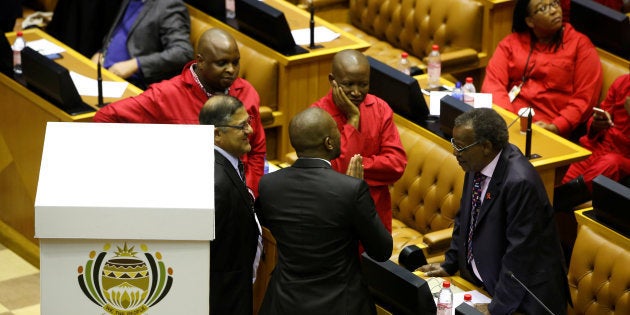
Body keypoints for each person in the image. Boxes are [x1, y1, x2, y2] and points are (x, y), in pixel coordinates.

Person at [420, 108, 569, 315]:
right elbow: (466, 217)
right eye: (454, 144)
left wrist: (497, 309)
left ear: (486, 146)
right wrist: (450, 263)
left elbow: (520, 255)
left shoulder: (519, 182)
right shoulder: (475, 162)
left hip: (525, 299)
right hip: (487, 284)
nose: (455, 152)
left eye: (460, 147)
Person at [94, 28, 266, 196]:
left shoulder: (247, 92)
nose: (231, 70)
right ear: (200, 61)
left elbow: (257, 150)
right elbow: (105, 118)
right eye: (222, 63)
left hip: (238, 192)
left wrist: (249, 191)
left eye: (235, 62)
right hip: (188, 192)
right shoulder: (165, 95)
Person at [256, 107, 393, 315]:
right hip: (341, 304)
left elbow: (270, 224)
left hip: (285, 301)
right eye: (337, 130)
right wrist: (355, 200)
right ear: (329, 143)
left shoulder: (268, 185)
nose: (341, 134)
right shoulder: (350, 190)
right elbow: (382, 250)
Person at [311, 49, 407, 232]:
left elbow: (396, 164)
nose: (356, 92)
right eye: (348, 84)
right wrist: (353, 120)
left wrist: (355, 167)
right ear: (333, 80)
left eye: (363, 84)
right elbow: (331, 172)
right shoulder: (317, 117)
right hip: (335, 218)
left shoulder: (380, 108)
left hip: (375, 216)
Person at [481, 0, 602, 140]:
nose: (553, 10)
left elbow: (584, 98)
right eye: (543, 8)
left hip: (547, 128)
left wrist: (557, 126)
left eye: (555, 3)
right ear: (530, 21)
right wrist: (507, 120)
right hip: (507, 121)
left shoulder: (580, 46)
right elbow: (493, 83)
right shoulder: (511, 43)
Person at [199, 95, 262, 315]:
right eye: (241, 126)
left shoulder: (224, 164)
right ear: (217, 134)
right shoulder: (217, 184)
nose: (250, 131)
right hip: (223, 297)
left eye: (249, 121)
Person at [554, 73, 630, 212]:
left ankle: (550, 203)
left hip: (623, 160)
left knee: (611, 163)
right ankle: (551, 202)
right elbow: (601, 116)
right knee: (571, 172)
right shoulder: (623, 82)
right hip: (600, 146)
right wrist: (596, 124)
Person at [90, 0, 194, 89]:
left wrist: (136, 64)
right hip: (102, 71)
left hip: (131, 82)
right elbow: (119, 32)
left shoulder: (169, 5)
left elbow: (183, 52)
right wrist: (102, 52)